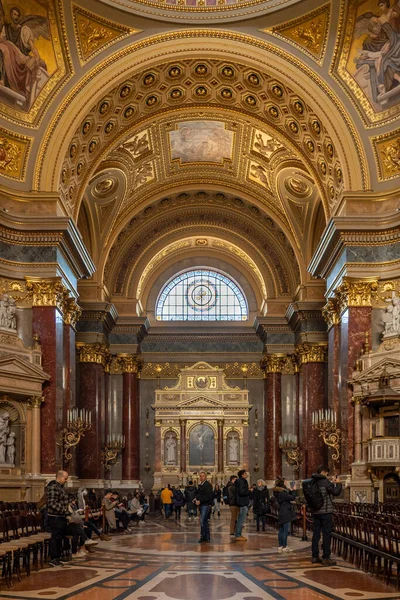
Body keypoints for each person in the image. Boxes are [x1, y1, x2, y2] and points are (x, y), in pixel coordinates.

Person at [310, 465, 342, 566]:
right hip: (326, 512)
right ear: (323, 472)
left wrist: (332, 483)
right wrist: (338, 483)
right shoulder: (325, 482)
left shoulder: (312, 482)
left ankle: (315, 556)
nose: (327, 475)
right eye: (327, 474)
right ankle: (326, 557)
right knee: (326, 535)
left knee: (316, 535)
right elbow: (336, 492)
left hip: (316, 512)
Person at [45, 470, 71, 567]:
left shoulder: (60, 487)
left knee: (60, 537)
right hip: (55, 517)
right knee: (55, 538)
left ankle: (58, 556)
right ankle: (53, 558)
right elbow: (52, 503)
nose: (66, 480)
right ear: (59, 477)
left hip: (60, 517)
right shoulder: (53, 487)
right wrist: (64, 511)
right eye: (65, 478)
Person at [273, 477, 297, 553]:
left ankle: (280, 546)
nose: (287, 482)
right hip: (285, 512)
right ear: (283, 483)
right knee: (285, 530)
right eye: (286, 481)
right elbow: (292, 497)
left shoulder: (279, 492)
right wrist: (294, 490)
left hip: (281, 511)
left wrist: (289, 491)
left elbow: (286, 498)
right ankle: (285, 546)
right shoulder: (283, 493)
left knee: (281, 530)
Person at [194, 470, 214, 543]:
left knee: (203, 521)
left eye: (203, 476)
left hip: (205, 505)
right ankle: (205, 537)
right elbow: (200, 494)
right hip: (202, 505)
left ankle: (205, 536)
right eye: (200, 476)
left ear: (205, 477)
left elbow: (209, 496)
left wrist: (200, 501)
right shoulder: (201, 484)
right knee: (204, 521)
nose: (201, 477)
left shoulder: (207, 485)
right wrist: (196, 499)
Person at [234, 469, 250, 542]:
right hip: (243, 502)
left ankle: (238, 534)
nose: (246, 474)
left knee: (240, 519)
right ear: (242, 475)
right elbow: (242, 492)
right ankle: (238, 535)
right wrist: (249, 491)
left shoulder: (239, 481)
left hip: (242, 502)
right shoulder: (242, 481)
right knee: (241, 520)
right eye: (245, 473)